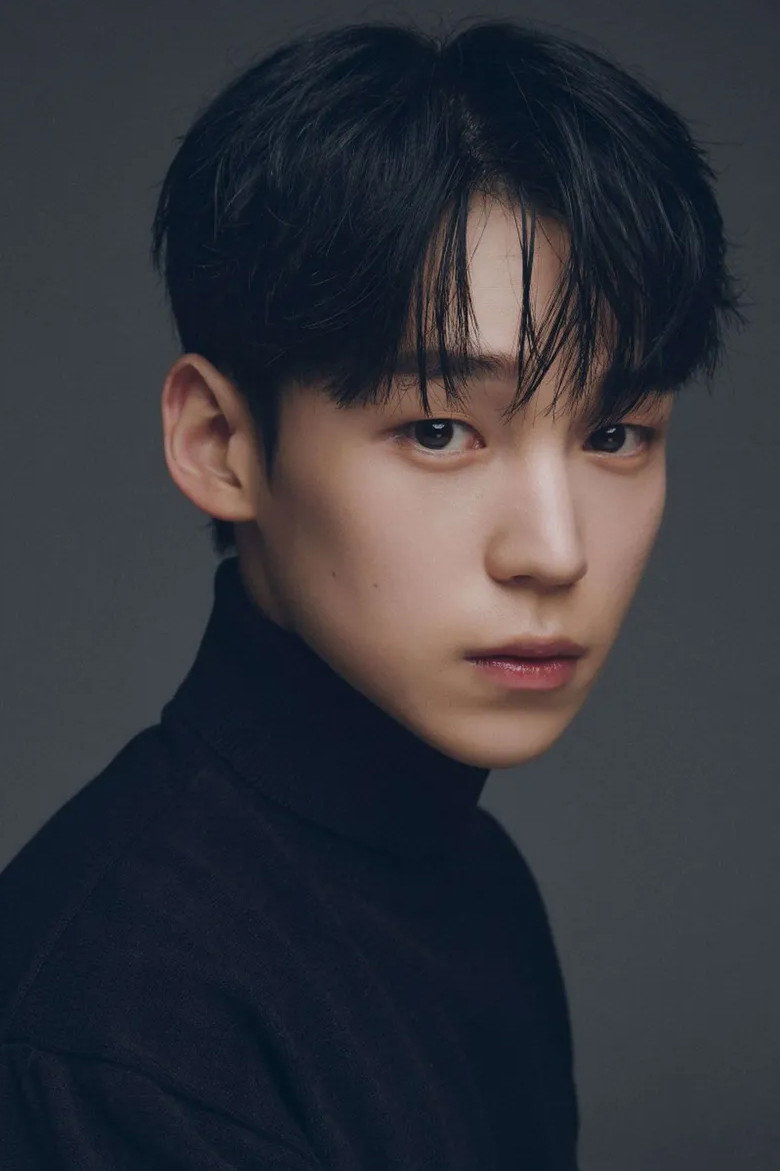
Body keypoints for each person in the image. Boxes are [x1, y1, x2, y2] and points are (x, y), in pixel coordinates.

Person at [0, 17, 742, 1169]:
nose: (555, 551)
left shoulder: (476, 885)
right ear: (221, 444)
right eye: (440, 430)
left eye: (614, 432)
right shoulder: (117, 1024)